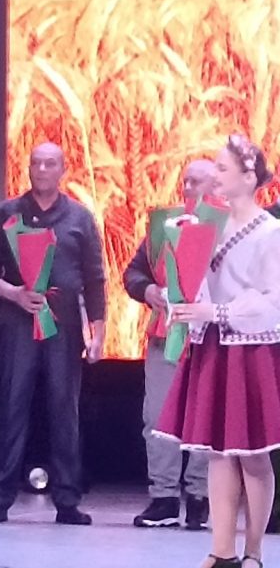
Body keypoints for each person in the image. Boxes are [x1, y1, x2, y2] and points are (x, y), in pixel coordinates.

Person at [156, 134, 280, 568]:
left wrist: (219, 310)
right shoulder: (204, 226)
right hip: (212, 344)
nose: (216, 175)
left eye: (223, 169)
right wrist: (180, 301)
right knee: (219, 451)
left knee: (252, 452)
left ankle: (254, 551)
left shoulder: (270, 232)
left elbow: (273, 298)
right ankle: (221, 549)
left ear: (249, 178)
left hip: (250, 348)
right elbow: (187, 282)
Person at [0, 142, 107, 526]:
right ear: (28, 168)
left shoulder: (80, 217)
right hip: (17, 322)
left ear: (63, 170)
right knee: (11, 407)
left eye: (51, 164)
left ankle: (67, 500)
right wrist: (13, 293)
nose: (43, 169)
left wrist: (98, 333)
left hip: (64, 326)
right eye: (37, 163)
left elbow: (95, 279)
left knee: (65, 410)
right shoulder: (6, 213)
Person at [123, 159, 215, 530]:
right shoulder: (165, 225)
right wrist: (147, 290)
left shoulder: (231, 228)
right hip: (166, 335)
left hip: (212, 338)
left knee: (208, 418)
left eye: (196, 181)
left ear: (217, 187)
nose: (188, 187)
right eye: (185, 180)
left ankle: (200, 496)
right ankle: (163, 497)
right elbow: (133, 272)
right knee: (158, 416)